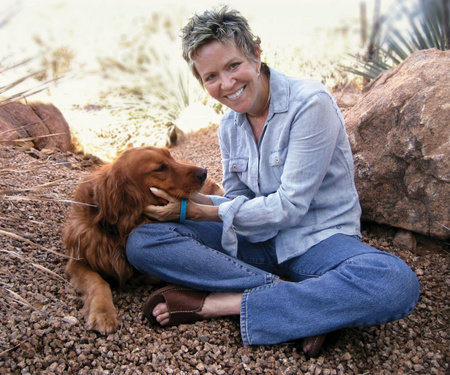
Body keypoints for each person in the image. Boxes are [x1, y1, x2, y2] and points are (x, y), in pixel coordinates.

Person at [126, 6, 419, 357]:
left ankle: (219, 304)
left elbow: (290, 206)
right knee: (143, 241)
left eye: (233, 66)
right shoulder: (229, 126)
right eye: (211, 77)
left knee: (394, 281)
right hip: (256, 242)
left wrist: (195, 211)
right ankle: (305, 304)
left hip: (318, 241)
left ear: (256, 54)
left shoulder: (310, 104)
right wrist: (187, 208)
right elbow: (237, 200)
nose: (227, 84)